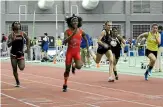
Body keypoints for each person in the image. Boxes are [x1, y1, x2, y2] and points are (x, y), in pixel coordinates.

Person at [62, 14, 89, 92]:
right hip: (69, 53)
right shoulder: (67, 32)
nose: (75, 22)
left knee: (79, 66)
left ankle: (74, 65)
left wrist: (87, 50)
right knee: (67, 70)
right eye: (73, 21)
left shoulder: (81, 31)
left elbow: (86, 39)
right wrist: (72, 35)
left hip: (76, 52)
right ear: (70, 23)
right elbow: (64, 42)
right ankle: (65, 84)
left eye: (76, 21)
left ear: (78, 22)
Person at [7, 21, 30, 87]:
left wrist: (28, 48)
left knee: (22, 68)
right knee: (14, 69)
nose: (17, 24)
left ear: (20, 26)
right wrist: (12, 40)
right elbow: (8, 45)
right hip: (13, 54)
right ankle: (17, 81)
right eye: (16, 23)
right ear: (13, 26)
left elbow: (28, 39)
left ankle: (17, 80)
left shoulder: (23, 33)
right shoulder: (11, 35)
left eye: (18, 23)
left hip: (20, 53)